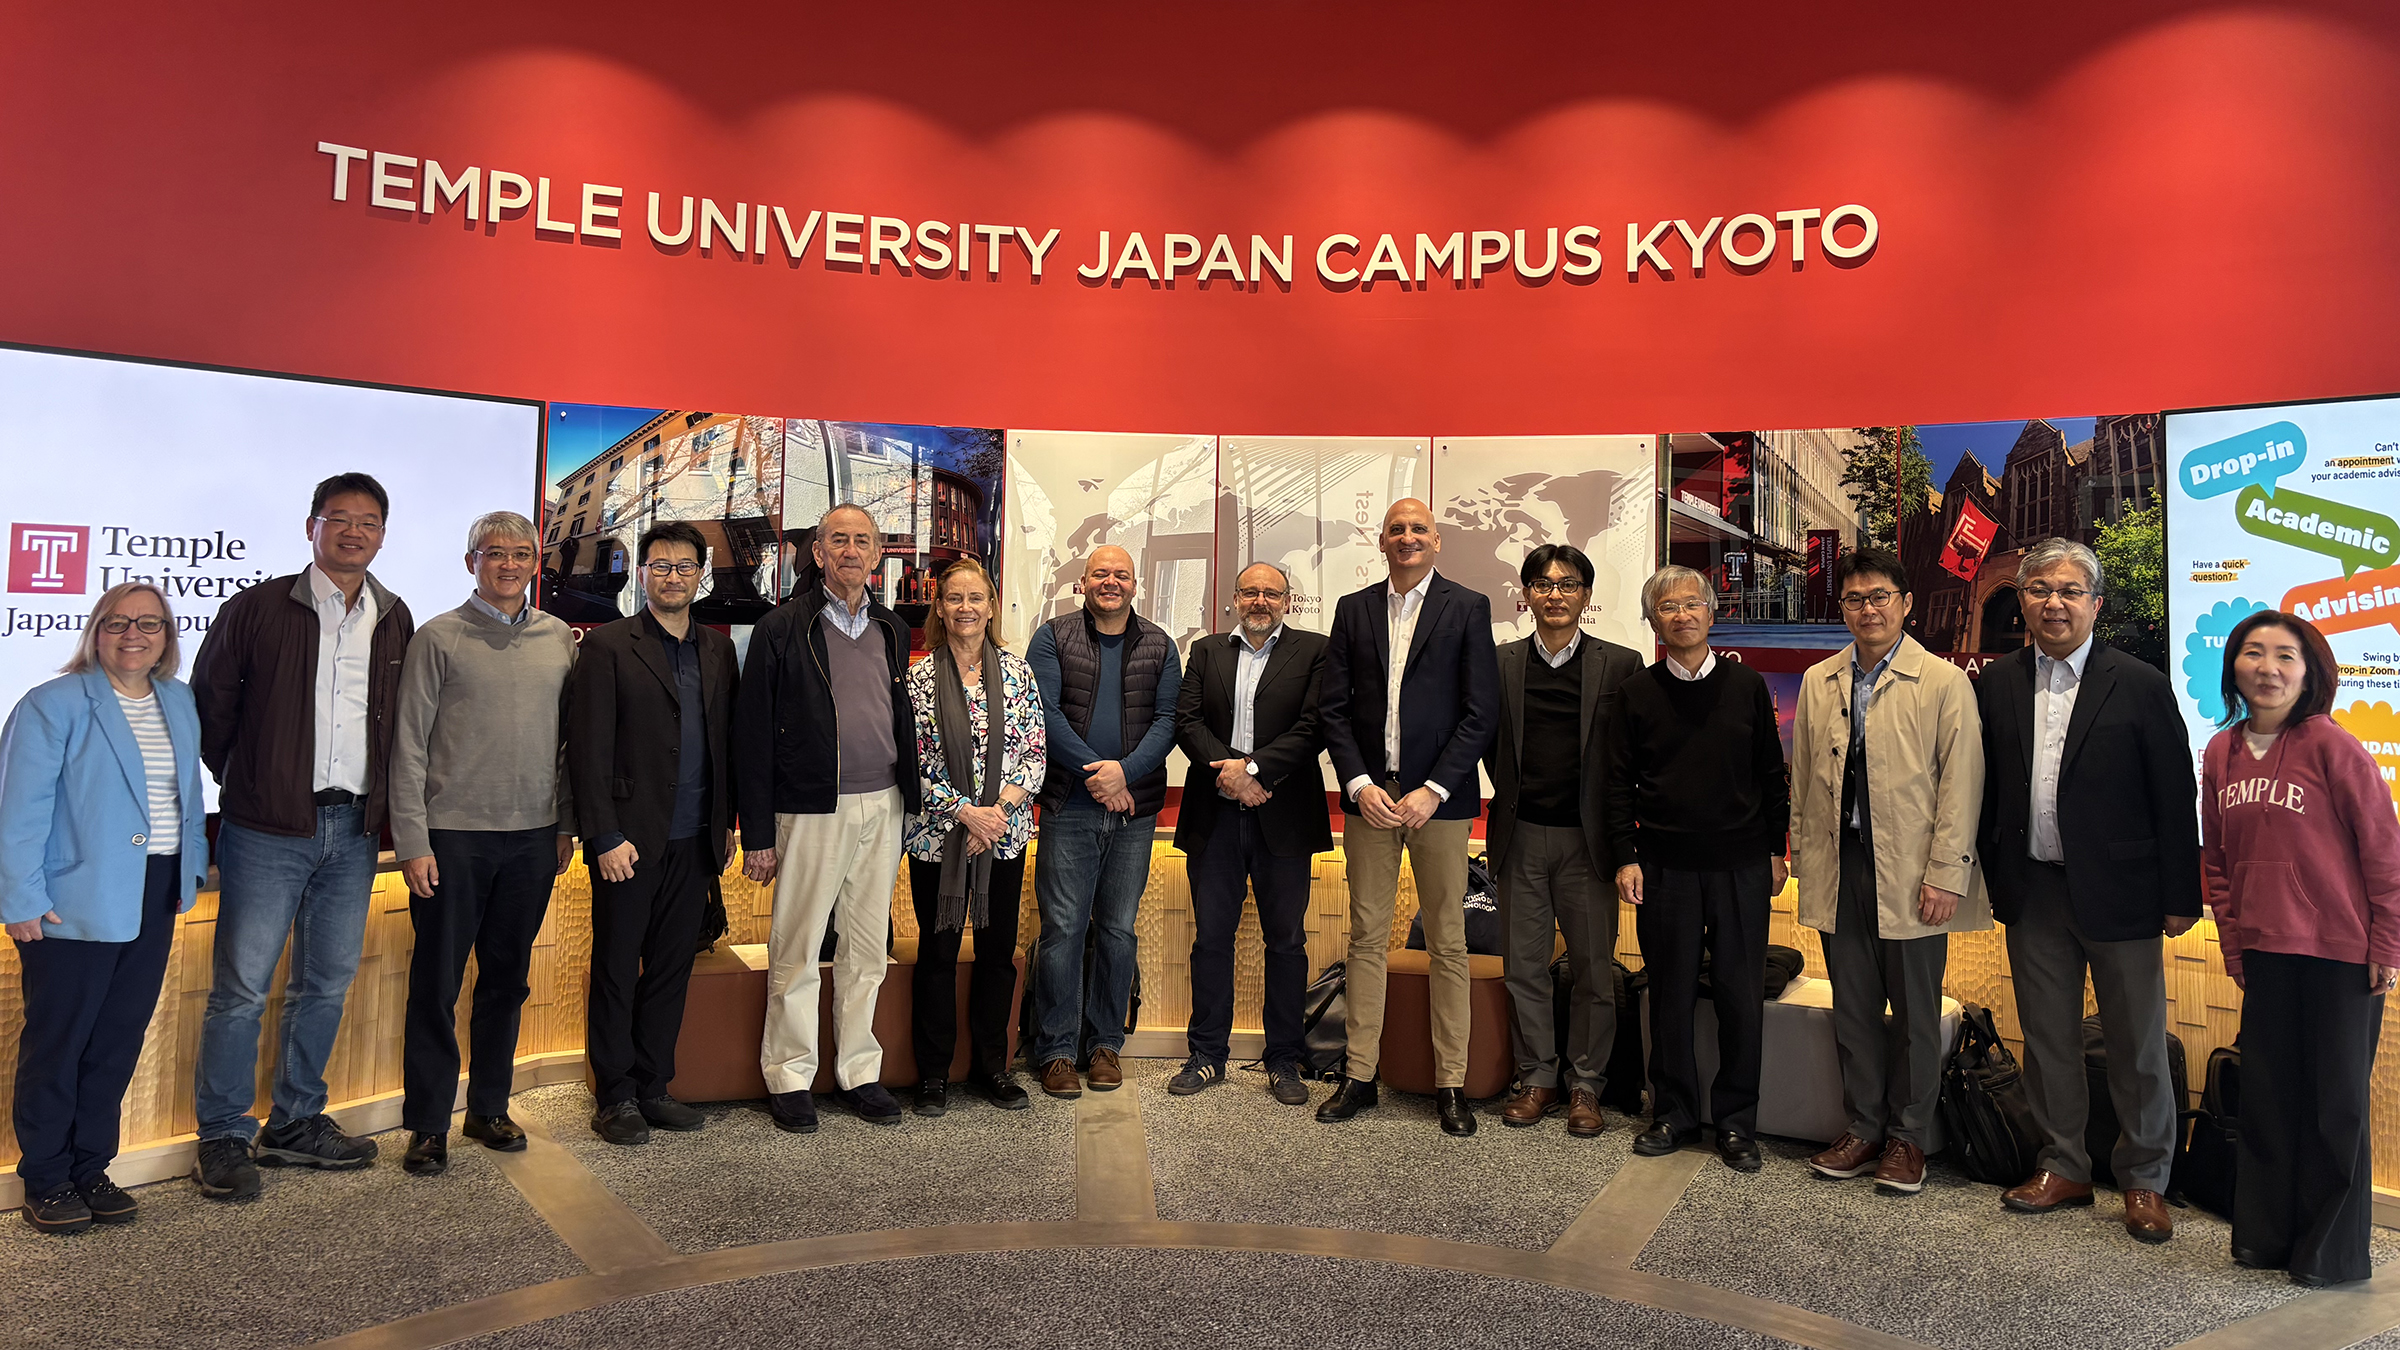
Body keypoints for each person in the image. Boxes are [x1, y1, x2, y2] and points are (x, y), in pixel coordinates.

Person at [189, 473, 415, 1199]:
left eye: (369, 521)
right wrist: (255, 779)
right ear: (311, 526)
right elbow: (210, 711)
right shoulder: (257, 607)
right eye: (339, 518)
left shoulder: (393, 614)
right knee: (242, 990)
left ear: (383, 533)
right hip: (265, 830)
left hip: (353, 832)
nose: (354, 532)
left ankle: (295, 1122)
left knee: (325, 984)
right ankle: (223, 1134)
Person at [1978, 537, 2200, 1243]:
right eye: (2040, 589)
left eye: (2070, 591)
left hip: (2125, 892)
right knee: (2047, 1039)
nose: (2054, 602)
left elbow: (2175, 795)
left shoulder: (2139, 683)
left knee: (2136, 1043)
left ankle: (2144, 1180)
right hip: (2034, 888)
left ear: (2096, 603)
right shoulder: (1997, 682)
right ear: (2023, 601)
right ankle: (2064, 1164)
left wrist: (2180, 896)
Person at [0, 584, 208, 1233]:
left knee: (116, 1040)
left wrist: (191, 871)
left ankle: (91, 1165)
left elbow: (187, 796)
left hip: (155, 892)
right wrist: (21, 897)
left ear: (167, 636)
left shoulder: (177, 699)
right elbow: (19, 809)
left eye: (148, 623)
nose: (133, 634)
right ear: (97, 630)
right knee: (60, 1042)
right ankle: (46, 1176)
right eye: (118, 622)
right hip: (72, 903)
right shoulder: (52, 703)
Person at [2201, 611, 2400, 1285]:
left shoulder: (2332, 747)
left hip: (2342, 954)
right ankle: (2264, 1237)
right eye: (2253, 654)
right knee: (2269, 1098)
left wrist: (2387, 943)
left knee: (2335, 1104)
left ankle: (2332, 1253)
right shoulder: (2220, 754)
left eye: (2286, 656)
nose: (2268, 668)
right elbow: (2219, 863)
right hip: (2266, 953)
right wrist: (2234, 948)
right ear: (2234, 668)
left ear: (2310, 672)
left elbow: (2383, 852)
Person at [1793, 548, 1988, 1194]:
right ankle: (1863, 1127)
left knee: (1913, 1012)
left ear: (1905, 604)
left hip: (1913, 873)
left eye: (1880, 597)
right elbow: (1802, 783)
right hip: (1839, 866)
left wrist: (1947, 873)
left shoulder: (1943, 682)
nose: (1867, 609)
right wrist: (1796, 850)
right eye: (1854, 599)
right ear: (1842, 609)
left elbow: (1962, 786)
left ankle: (1908, 1139)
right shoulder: (1822, 680)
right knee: (1852, 1009)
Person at [389, 512, 578, 1175]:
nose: (508, 564)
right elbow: (408, 746)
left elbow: (566, 746)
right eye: (494, 553)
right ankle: (429, 1123)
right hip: (453, 839)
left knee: (507, 981)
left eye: (521, 553)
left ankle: (490, 1108)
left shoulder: (560, 638)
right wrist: (413, 840)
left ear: (536, 562)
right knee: (436, 984)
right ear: (470, 561)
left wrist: (564, 824)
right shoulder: (437, 637)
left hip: (532, 839)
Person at [1316, 499, 1499, 1137]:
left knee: (1448, 939)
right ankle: (1360, 1075)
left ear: (1437, 541)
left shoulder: (1468, 608)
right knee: (1366, 937)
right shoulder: (1354, 609)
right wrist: (1359, 783)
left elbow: (1481, 712)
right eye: (1397, 529)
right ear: (1383, 540)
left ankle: (1452, 1082)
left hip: (1438, 806)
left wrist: (1434, 790)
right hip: (1370, 799)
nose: (1407, 537)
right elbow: (1333, 709)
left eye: (1418, 528)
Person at [737, 505, 921, 1132]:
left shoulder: (893, 630)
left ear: (877, 556)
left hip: (884, 805)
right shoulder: (781, 627)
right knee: (797, 946)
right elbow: (752, 736)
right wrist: (757, 834)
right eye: (837, 539)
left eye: (861, 541)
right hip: (810, 808)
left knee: (869, 950)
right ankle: (790, 1076)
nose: (850, 550)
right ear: (817, 553)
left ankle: (859, 1072)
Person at [1607, 564, 1788, 1173]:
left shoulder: (1747, 686)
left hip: (1740, 865)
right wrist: (1624, 856)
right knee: (1670, 994)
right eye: (1667, 607)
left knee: (1741, 996)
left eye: (1692, 605)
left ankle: (1737, 1122)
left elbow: (1771, 776)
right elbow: (1615, 786)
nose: (1680, 615)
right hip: (1663, 867)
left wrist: (1775, 850)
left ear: (1712, 615)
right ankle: (1674, 1113)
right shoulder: (1636, 692)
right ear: (1652, 620)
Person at [568, 521, 739, 1146]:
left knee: (671, 967)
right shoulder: (610, 646)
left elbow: (725, 745)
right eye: (661, 565)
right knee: (617, 965)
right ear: (642, 574)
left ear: (702, 575)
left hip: (696, 837)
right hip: (628, 841)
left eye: (685, 566)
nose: (673, 576)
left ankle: (653, 1086)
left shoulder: (717, 650)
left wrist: (726, 825)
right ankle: (614, 1096)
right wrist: (603, 835)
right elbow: (586, 752)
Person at [1485, 544, 1642, 1137]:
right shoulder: (1499, 662)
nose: (1555, 594)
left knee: (1593, 972)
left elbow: (1631, 757)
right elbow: (1481, 736)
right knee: (1523, 967)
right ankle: (1538, 1078)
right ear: (1525, 595)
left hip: (1590, 843)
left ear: (1586, 595)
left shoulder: (1621, 664)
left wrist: (1631, 846)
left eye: (1568, 584)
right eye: (1543, 584)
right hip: (1520, 835)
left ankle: (1587, 1085)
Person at [1024, 545, 1184, 1098]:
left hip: (1134, 811)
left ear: (1135, 585)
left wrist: (1123, 776)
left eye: (1121, 574)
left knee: (1118, 930)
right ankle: (1057, 1051)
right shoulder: (1052, 636)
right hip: (1070, 803)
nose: (1110, 582)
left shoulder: (1161, 644)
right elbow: (1043, 714)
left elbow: (1168, 721)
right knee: (1062, 931)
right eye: (1100, 574)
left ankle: (1105, 1046)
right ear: (1083, 583)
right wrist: (1098, 775)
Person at [1170, 562, 1330, 1104]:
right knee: (1211, 939)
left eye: (1272, 593)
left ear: (1288, 601)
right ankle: (1206, 1054)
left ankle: (1284, 1058)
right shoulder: (1207, 650)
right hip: (1215, 813)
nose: (1260, 601)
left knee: (1285, 942)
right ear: (1234, 598)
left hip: (1283, 814)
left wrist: (1254, 771)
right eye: (1250, 592)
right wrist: (1232, 775)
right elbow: (1186, 722)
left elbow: (1315, 728)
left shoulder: (1315, 650)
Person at [901, 558, 1043, 1117]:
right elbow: (910, 762)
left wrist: (996, 813)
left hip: (1004, 836)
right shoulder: (915, 678)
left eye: (976, 598)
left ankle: (993, 1067)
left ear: (991, 606)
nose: (966, 608)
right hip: (938, 837)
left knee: (996, 956)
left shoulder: (1017, 673)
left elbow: (1034, 753)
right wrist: (965, 812)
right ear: (939, 607)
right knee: (936, 955)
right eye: (954, 598)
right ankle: (933, 1074)